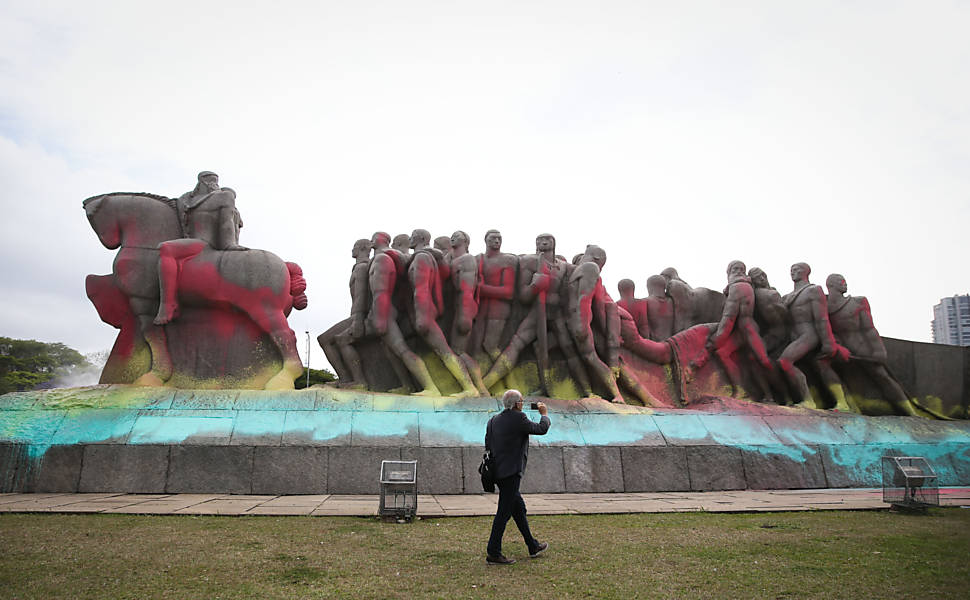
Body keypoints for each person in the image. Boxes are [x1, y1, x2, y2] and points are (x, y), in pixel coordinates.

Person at [154, 171, 246, 324]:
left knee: (167, 249)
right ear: (201, 181)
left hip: (204, 243)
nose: (213, 183)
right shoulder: (185, 199)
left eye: (215, 180)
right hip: (189, 241)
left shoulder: (224, 197)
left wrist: (229, 245)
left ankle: (168, 304)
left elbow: (227, 223)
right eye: (209, 180)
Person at [485, 389, 551, 565]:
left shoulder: (493, 420)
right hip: (511, 472)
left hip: (498, 472)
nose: (523, 404)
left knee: (518, 509)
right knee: (503, 513)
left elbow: (488, 444)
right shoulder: (519, 418)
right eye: (521, 401)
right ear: (516, 404)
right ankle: (493, 552)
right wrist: (544, 414)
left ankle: (532, 545)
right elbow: (541, 429)